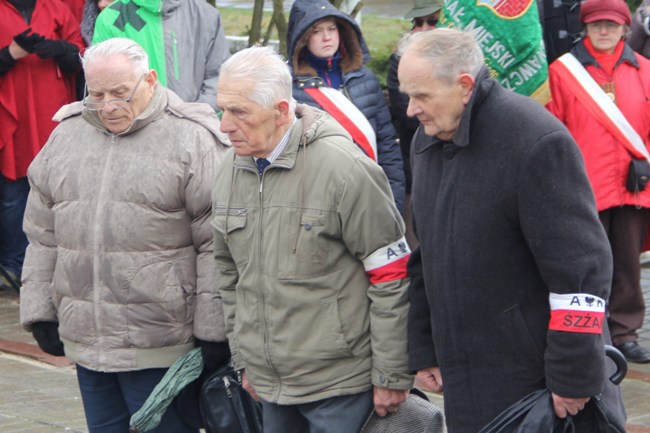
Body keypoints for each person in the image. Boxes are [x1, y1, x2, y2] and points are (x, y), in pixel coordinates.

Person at [400, 28, 626, 432]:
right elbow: (425, 255)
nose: (411, 110)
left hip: (537, 384)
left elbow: (583, 272)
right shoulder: (427, 141)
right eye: (408, 95)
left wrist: (573, 375)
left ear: (465, 86)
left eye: (422, 96)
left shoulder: (535, 139)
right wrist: (424, 346)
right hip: (467, 374)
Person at [19, 38, 230, 433]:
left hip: (161, 344)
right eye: (96, 94)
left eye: (120, 93)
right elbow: (42, 234)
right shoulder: (65, 136)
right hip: (86, 341)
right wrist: (39, 310)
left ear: (150, 80)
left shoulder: (193, 139)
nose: (109, 105)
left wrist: (213, 330)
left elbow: (215, 244)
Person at [212, 46, 413, 433]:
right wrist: (245, 360)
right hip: (268, 387)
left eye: (239, 112)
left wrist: (391, 374)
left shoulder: (346, 170)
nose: (225, 125)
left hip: (340, 388)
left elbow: (392, 276)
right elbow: (228, 274)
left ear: (282, 111)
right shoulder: (229, 172)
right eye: (223, 109)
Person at [547, 0, 650, 364]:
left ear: (625, 28)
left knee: (627, 263)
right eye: (596, 25)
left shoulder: (647, 71)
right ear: (585, 28)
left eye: (611, 24)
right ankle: (593, 331)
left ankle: (625, 333)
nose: (603, 31)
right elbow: (552, 129)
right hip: (582, 187)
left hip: (633, 186)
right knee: (586, 264)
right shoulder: (562, 72)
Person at [286, 0, 406, 212]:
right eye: (317, 31)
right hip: (319, 202)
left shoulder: (365, 79)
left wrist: (393, 201)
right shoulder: (290, 88)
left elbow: (387, 143)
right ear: (303, 38)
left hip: (370, 192)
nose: (327, 37)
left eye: (332, 28)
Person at [0, 0, 84, 291]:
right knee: (13, 197)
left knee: (58, 192)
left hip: (52, 112)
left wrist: (63, 51)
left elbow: (81, 58)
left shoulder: (56, 8)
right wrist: (10, 54)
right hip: (11, 115)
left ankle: (59, 264)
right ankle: (13, 266)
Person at [92, 0, 229, 110]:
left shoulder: (206, 15)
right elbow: (102, 83)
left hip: (197, 129)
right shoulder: (111, 18)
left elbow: (218, 77)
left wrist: (195, 117)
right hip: (134, 132)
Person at [387, 0, 441, 200]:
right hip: (418, 156)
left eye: (433, 22)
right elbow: (408, 115)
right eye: (418, 22)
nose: (424, 29)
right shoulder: (399, 60)